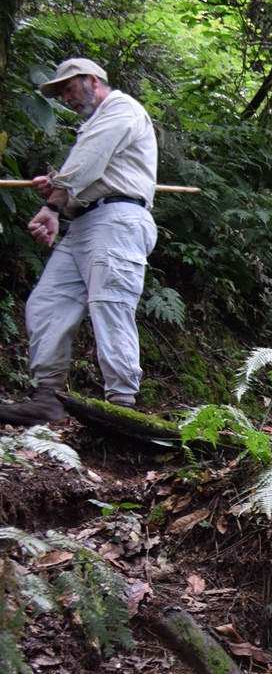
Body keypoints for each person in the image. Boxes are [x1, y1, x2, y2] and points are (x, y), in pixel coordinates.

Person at [0, 58, 157, 424]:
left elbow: (88, 162)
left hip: (118, 220)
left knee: (111, 306)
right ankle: (47, 397)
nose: (66, 99)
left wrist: (53, 201)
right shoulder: (95, 123)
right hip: (86, 222)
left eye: (68, 89)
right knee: (46, 302)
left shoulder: (121, 108)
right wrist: (60, 190)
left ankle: (121, 407)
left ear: (91, 81)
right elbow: (90, 174)